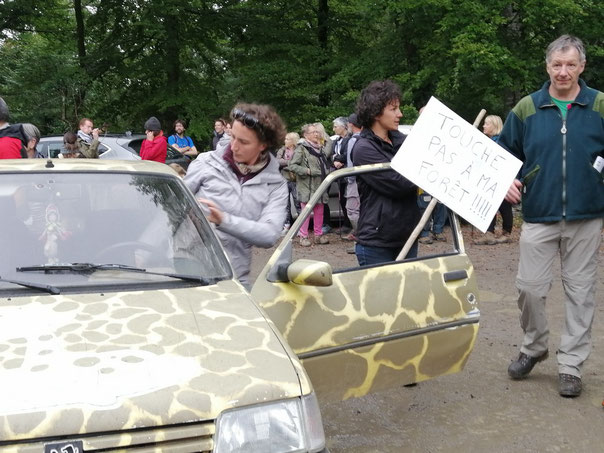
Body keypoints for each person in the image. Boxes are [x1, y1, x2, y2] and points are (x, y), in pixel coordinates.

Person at [500, 35, 603, 398]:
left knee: (580, 294)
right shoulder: (528, 107)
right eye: (557, 65)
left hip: (587, 217)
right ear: (547, 66)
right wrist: (506, 180)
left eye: (570, 65)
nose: (563, 72)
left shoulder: (600, 105)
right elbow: (503, 155)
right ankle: (534, 346)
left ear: (581, 67)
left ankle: (571, 365)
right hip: (539, 216)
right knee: (528, 288)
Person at [184, 103, 288, 288]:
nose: (233, 147)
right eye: (233, 137)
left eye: (244, 142)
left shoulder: (276, 185)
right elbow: (170, 211)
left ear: (263, 145)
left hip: (234, 280)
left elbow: (269, 234)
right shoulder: (205, 163)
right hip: (186, 274)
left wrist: (224, 220)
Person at [352, 80, 420, 265]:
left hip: (407, 237)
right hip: (376, 244)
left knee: (407, 294)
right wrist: (424, 169)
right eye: (393, 109)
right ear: (375, 112)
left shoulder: (401, 141)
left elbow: (427, 157)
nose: (400, 114)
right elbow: (399, 184)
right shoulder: (364, 149)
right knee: (382, 295)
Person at [289, 123, 332, 247]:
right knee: (305, 212)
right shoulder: (301, 148)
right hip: (307, 185)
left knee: (320, 211)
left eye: (317, 132)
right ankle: (303, 236)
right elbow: (292, 165)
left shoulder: (320, 148)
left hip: (319, 184)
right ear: (306, 135)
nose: (316, 134)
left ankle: (318, 235)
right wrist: (307, 171)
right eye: (313, 132)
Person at [474, 114, 513, 245]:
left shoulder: (501, 141)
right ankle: (489, 233)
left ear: (494, 126)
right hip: (491, 179)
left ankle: (506, 233)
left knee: (504, 206)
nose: (483, 126)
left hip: (502, 180)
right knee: (490, 205)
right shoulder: (490, 141)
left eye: (487, 123)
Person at [331, 116, 353, 235]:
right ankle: (346, 223)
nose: (334, 129)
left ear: (344, 127)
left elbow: (347, 154)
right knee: (342, 200)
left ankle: (349, 224)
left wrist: (339, 160)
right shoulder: (336, 141)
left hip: (347, 172)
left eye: (335, 126)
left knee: (349, 199)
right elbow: (332, 154)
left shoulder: (350, 139)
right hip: (339, 174)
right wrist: (335, 161)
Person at [276, 131, 300, 233]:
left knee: (298, 202)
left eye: (287, 139)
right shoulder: (282, 150)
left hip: (296, 180)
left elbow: (299, 162)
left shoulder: (299, 150)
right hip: (284, 179)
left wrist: (287, 164)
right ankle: (286, 225)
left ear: (292, 141)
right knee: (285, 204)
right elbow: (278, 161)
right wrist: (290, 164)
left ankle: (300, 226)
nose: (285, 141)